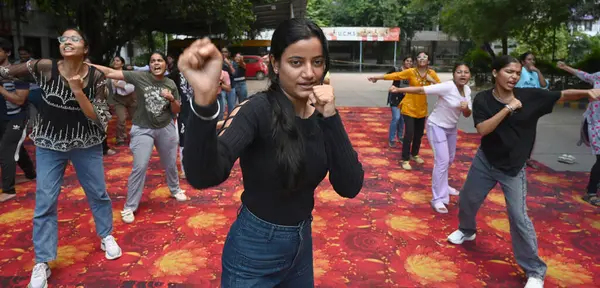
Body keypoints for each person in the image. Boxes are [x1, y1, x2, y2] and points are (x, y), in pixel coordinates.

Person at [179, 18, 364, 286]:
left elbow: (350, 185)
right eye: (296, 62)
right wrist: (205, 103)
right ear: (276, 64)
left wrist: (332, 117)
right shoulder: (256, 110)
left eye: (318, 62)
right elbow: (204, 174)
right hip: (254, 250)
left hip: (301, 246)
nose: (310, 73)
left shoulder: (323, 114)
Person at [447, 55, 600, 288]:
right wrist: (508, 108)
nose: (514, 77)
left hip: (513, 169)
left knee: (519, 218)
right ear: (495, 72)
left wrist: (586, 93)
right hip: (485, 161)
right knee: (468, 199)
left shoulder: (530, 96)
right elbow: (483, 129)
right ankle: (467, 230)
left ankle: (535, 270)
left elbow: (562, 94)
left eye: (517, 73)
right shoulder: (483, 99)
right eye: (509, 71)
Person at [0, 28, 122, 288]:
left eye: (74, 38)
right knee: (45, 201)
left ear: (85, 47)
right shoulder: (44, 67)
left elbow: (99, 119)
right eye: (63, 39)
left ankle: (106, 235)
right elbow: (8, 71)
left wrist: (78, 90)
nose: (67, 42)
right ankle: (42, 261)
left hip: (86, 144)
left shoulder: (98, 77)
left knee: (98, 193)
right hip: (49, 144)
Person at [91, 52, 187, 224]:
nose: (156, 63)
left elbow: (176, 110)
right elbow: (110, 72)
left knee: (170, 162)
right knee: (140, 166)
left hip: (165, 127)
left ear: (166, 64)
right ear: (149, 65)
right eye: (152, 61)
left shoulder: (170, 83)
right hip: (143, 128)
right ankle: (130, 206)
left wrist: (172, 98)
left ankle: (175, 189)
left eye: (160, 60)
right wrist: (85, 66)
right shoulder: (140, 77)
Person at [390, 62, 472, 213]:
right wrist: (398, 89)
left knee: (450, 159)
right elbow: (421, 89)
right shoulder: (447, 87)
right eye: (459, 72)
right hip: (436, 126)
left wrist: (465, 108)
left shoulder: (467, 90)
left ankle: (444, 185)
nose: (463, 75)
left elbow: (467, 114)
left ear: (470, 75)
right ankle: (438, 198)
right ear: (453, 74)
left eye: (466, 72)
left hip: (451, 128)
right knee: (442, 161)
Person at [368, 52, 441, 170]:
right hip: (409, 106)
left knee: (419, 134)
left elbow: (441, 87)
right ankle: (405, 158)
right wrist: (377, 77)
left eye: (425, 57)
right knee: (409, 133)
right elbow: (395, 75)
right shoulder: (411, 71)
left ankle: (414, 154)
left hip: (421, 108)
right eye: (419, 57)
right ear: (416, 60)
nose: (422, 59)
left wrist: (431, 80)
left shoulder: (431, 73)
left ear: (428, 61)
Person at [557, 60, 600, 206]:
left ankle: (596, 183)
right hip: (596, 124)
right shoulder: (598, 77)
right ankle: (591, 192)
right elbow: (584, 75)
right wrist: (566, 67)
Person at [0, 38, 36, 202]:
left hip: (17, 117)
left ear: (7, 52)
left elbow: (20, 100)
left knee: (6, 148)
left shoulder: (19, 72)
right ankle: (30, 173)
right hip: (2, 117)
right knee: (15, 147)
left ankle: (9, 189)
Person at [516, 52, 548, 169]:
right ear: (523, 62)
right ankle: (516, 156)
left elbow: (544, 85)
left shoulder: (535, 74)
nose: (532, 62)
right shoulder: (519, 72)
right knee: (518, 132)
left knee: (530, 134)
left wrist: (538, 71)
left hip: (533, 108)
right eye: (529, 59)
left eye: (533, 60)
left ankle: (527, 158)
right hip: (520, 107)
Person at [107, 56, 136, 146]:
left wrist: (119, 85)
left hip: (132, 98)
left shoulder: (127, 74)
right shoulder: (110, 75)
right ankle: (120, 139)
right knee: (121, 119)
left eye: (117, 60)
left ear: (122, 63)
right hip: (118, 99)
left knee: (136, 119)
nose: (115, 62)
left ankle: (138, 137)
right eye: (114, 60)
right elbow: (110, 90)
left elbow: (131, 88)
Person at [386, 56, 412, 147]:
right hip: (395, 97)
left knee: (402, 119)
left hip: (406, 98)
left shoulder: (412, 72)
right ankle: (391, 139)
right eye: (407, 61)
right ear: (403, 62)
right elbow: (386, 76)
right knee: (396, 118)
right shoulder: (396, 69)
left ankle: (400, 136)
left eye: (410, 61)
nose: (409, 63)